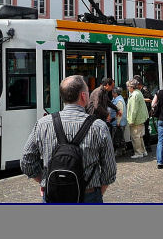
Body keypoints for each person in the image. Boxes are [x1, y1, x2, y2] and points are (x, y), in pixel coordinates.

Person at [21, 75, 117, 203]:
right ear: (83, 96)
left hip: (53, 194)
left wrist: (45, 180)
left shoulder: (43, 124)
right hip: (88, 195)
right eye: (88, 93)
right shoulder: (99, 126)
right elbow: (110, 170)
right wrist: (98, 191)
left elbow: (26, 162)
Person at [126, 79, 149, 159]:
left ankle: (138, 153)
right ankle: (143, 151)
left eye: (128, 86)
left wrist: (131, 120)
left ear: (132, 87)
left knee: (135, 137)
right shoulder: (139, 93)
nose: (127, 88)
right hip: (141, 118)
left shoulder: (134, 95)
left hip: (136, 120)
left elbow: (133, 110)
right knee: (140, 136)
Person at [110, 87, 127, 155]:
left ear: (115, 93)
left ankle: (119, 151)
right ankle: (122, 150)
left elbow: (120, 112)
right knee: (120, 137)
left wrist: (118, 122)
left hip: (118, 123)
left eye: (112, 92)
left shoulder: (119, 100)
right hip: (118, 122)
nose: (111, 93)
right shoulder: (116, 99)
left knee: (117, 138)